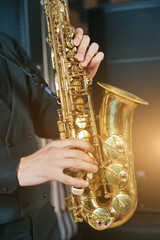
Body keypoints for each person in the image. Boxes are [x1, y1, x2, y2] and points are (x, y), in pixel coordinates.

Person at [0, 27, 104, 240]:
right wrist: (18, 169)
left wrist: (79, 84)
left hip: (43, 220)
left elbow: (49, 123)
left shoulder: (6, 43)